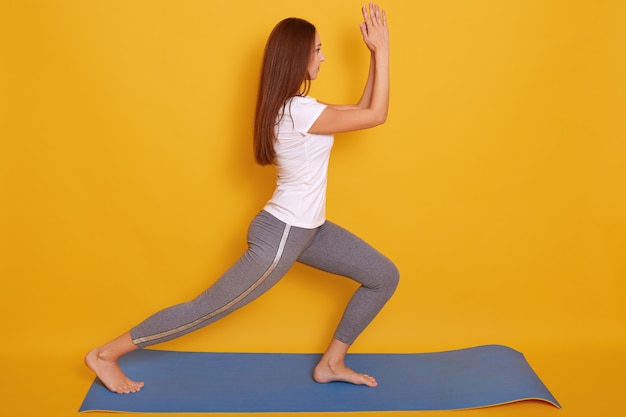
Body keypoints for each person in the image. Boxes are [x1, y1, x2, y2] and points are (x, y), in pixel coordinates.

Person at [85, 2, 397, 394]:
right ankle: (105, 355)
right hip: (284, 233)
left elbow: (364, 109)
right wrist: (383, 51)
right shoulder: (298, 112)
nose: (324, 56)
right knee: (205, 309)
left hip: (309, 230)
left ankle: (332, 363)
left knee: (382, 276)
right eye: (318, 49)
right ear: (298, 56)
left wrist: (372, 54)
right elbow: (376, 115)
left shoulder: (296, 108)